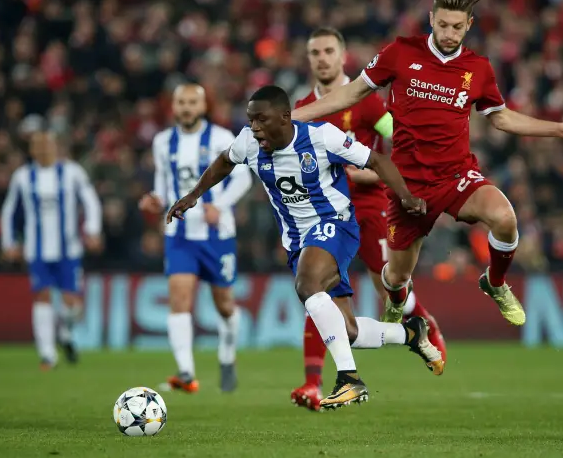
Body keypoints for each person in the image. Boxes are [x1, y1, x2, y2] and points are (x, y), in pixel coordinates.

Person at [291, 0, 563, 327]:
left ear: (469, 25)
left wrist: (558, 128)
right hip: (407, 185)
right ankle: (395, 297)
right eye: (443, 25)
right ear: (431, 19)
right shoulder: (400, 53)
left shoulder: (477, 68)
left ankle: (495, 282)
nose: (449, 33)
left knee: (505, 218)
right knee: (395, 277)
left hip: (456, 176)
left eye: (457, 26)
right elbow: (351, 92)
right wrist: (293, 117)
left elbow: (501, 119)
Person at [167, 85, 444, 411]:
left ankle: (349, 379)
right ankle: (411, 333)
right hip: (298, 241)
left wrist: (407, 197)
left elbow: (378, 160)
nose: (254, 128)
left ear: (285, 118)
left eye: (261, 120)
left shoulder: (322, 137)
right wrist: (194, 195)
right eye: (251, 120)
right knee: (348, 331)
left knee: (307, 284)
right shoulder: (249, 142)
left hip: (336, 224)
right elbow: (224, 162)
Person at [290, 27, 447, 411]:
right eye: (315, 52)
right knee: (317, 288)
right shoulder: (305, 104)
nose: (322, 58)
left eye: (329, 50)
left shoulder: (366, 103)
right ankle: (312, 382)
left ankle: (422, 323)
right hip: (325, 209)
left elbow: (399, 140)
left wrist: (374, 175)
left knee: (387, 282)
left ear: (342, 55)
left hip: (369, 203)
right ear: (309, 59)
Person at [139, 85, 252, 393]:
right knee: (179, 299)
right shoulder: (162, 142)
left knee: (225, 305)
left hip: (217, 234)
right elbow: (163, 184)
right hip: (179, 233)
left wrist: (222, 204)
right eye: (181, 103)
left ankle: (227, 356)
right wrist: (155, 199)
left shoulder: (221, 138)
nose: (187, 108)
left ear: (203, 106)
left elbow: (243, 176)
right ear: (173, 107)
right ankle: (186, 372)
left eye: (192, 102)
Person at [1, 131, 102, 370]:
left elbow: (90, 200)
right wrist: (8, 243)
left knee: (72, 304)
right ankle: (47, 355)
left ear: (56, 147)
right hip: (36, 251)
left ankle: (65, 333)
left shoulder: (72, 172)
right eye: (38, 145)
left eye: (48, 144)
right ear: (32, 150)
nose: (44, 149)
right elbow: (9, 210)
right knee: (42, 296)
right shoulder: (23, 177)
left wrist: (92, 229)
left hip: (69, 250)